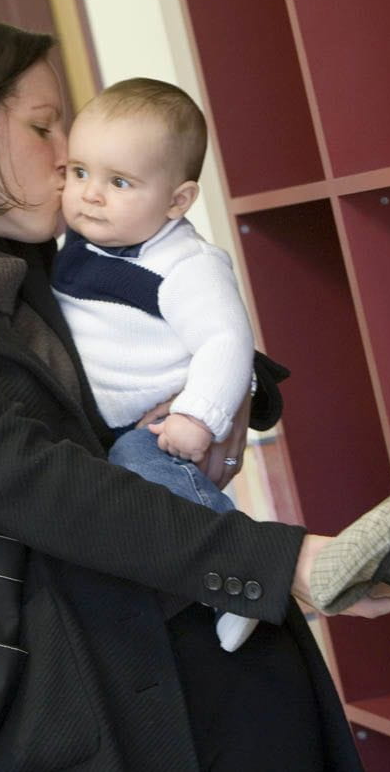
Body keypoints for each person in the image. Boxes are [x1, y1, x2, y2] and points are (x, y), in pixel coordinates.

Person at [0, 10, 390, 772]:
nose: (69, 159)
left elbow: (183, 332)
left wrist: (225, 396)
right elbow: (37, 483)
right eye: (45, 128)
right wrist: (278, 562)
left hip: (215, 687)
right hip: (59, 724)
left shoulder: (35, 257)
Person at [52, 78, 259, 652]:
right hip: (99, 424)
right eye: (79, 173)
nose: (91, 195)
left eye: (119, 182)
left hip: (157, 423)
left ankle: (240, 572)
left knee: (149, 474)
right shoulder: (78, 240)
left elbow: (226, 342)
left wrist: (199, 416)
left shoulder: (184, 266)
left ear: (177, 201)